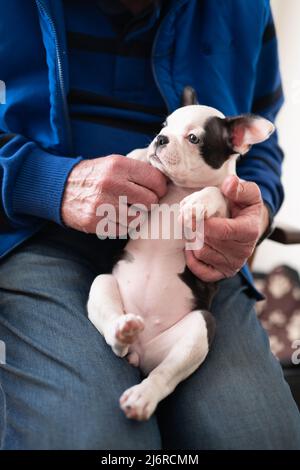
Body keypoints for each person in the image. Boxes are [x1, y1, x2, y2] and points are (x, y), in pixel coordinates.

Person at [0, 0, 300, 450]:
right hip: (36, 229)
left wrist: (254, 215)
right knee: (94, 439)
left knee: (260, 437)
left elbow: (262, 152)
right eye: (166, 132)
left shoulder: (246, 8)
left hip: (195, 265)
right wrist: (45, 181)